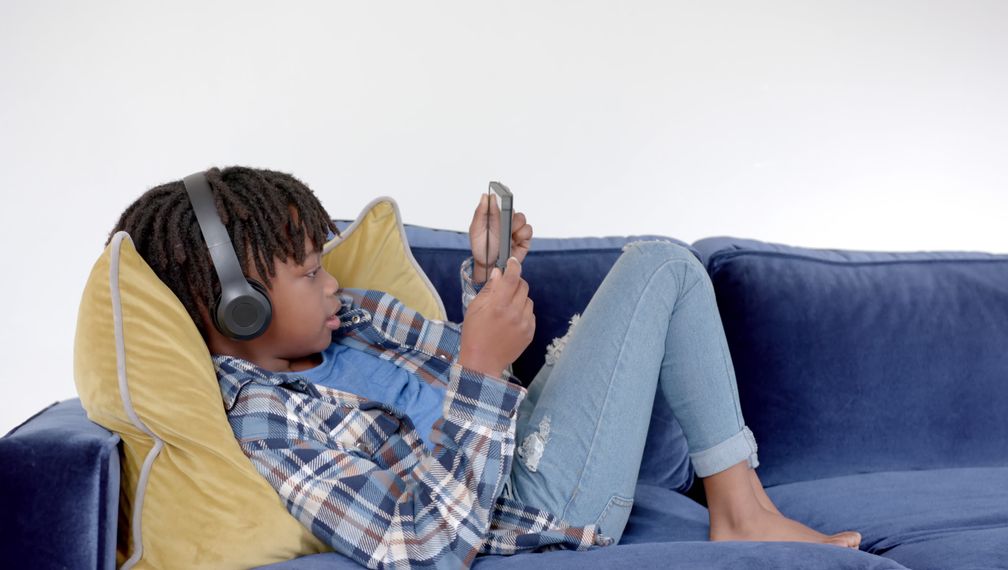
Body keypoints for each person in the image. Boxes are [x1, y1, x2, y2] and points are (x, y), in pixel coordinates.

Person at [110, 166, 861, 568]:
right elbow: (419, 546)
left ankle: (742, 510)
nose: (332, 281)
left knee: (662, 264)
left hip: (525, 439)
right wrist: (476, 367)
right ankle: (740, 514)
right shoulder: (267, 421)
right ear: (238, 312)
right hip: (540, 501)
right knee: (661, 266)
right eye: (309, 274)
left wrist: (489, 281)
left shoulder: (356, 319)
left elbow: (478, 372)